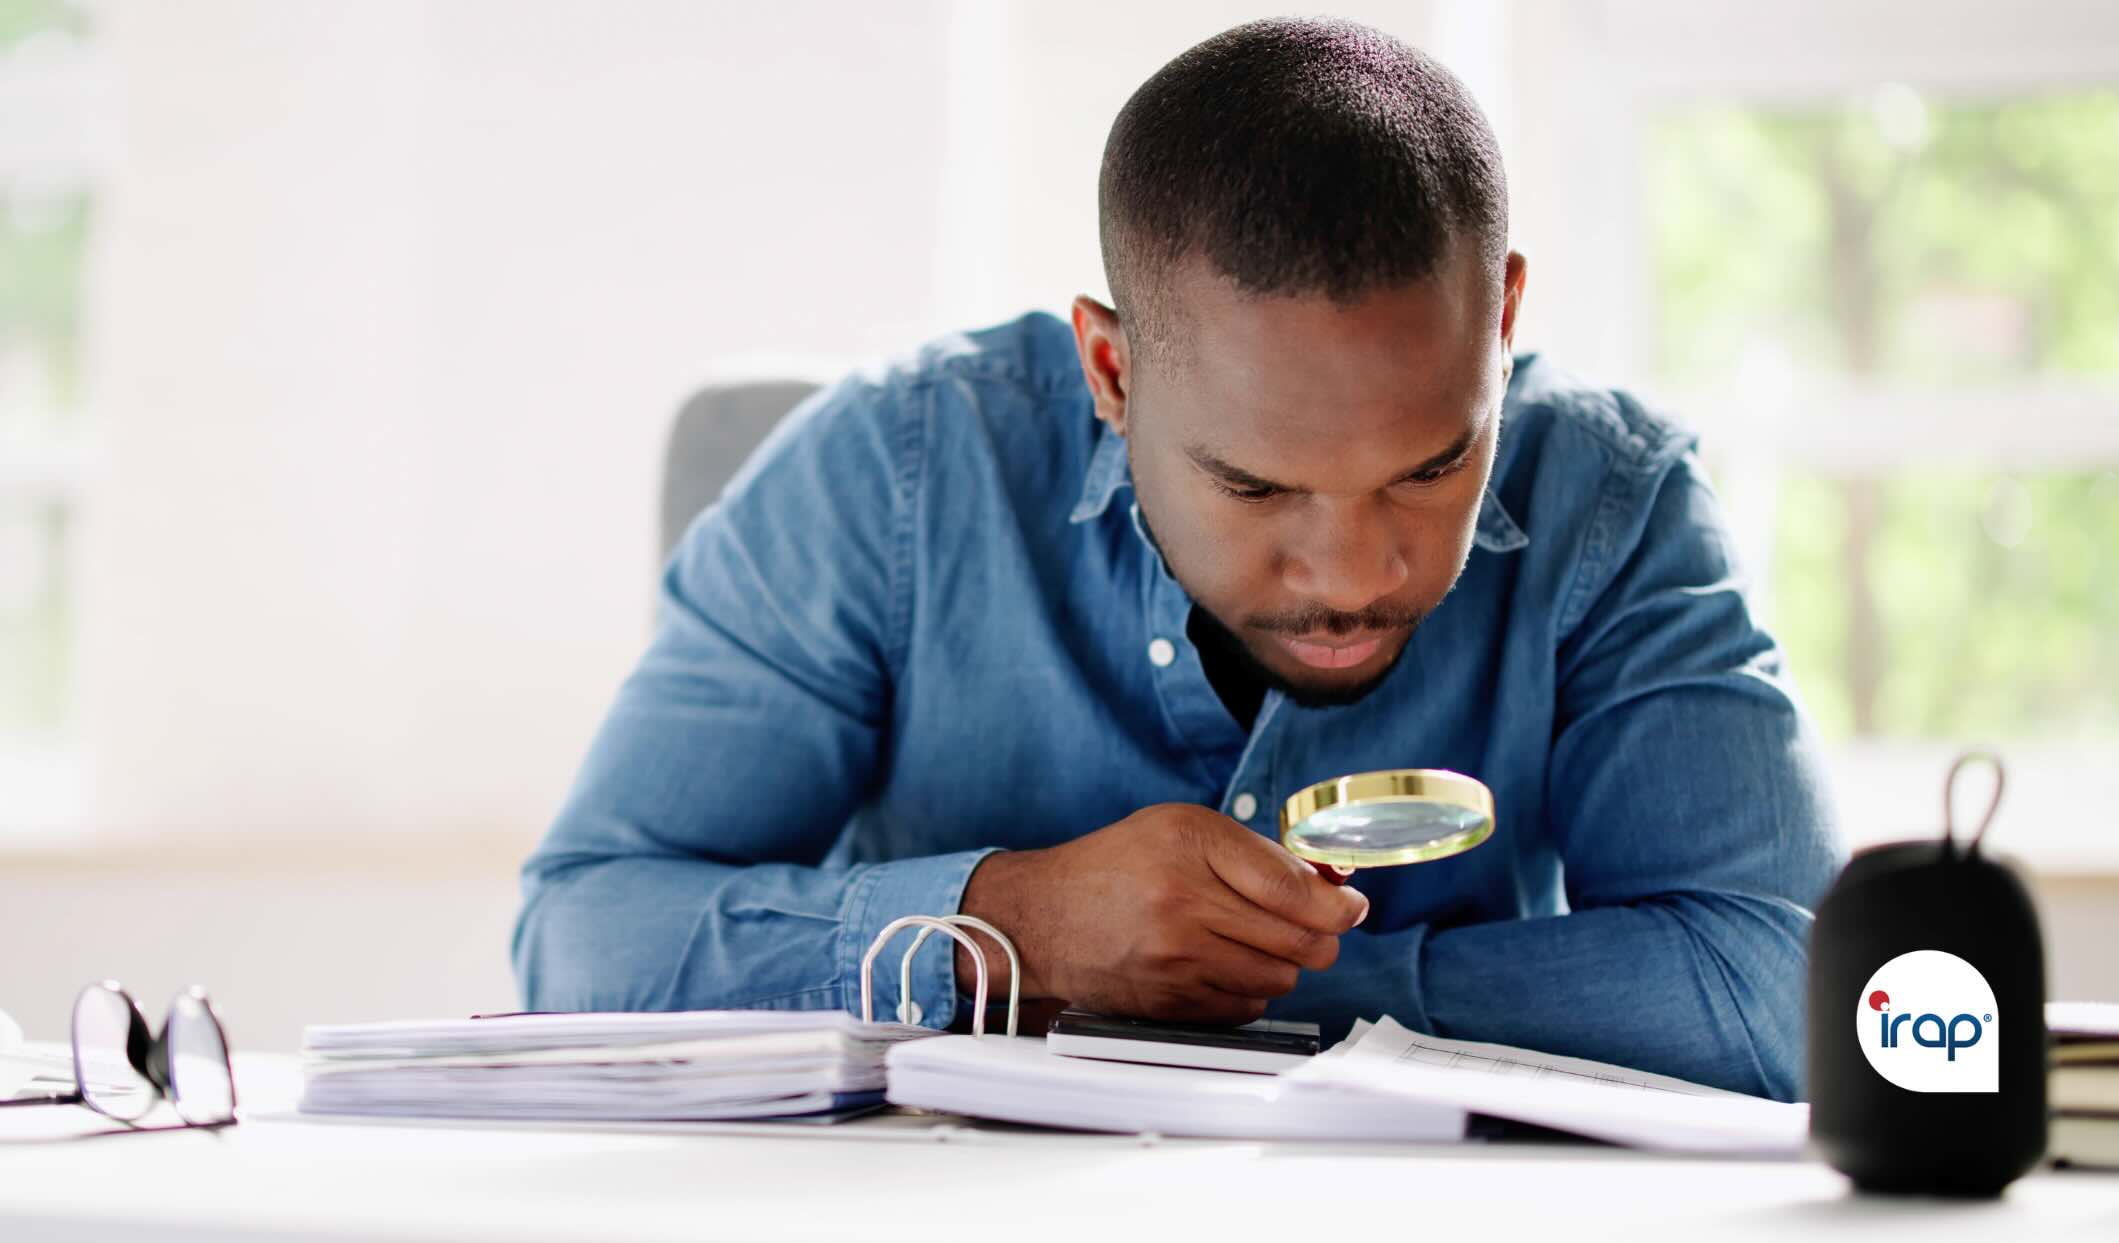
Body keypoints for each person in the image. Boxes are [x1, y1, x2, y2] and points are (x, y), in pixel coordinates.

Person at [511, 17, 1842, 1101]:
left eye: (1433, 467)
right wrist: (1013, 924)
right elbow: (580, 941)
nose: (1351, 574)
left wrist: (1240, 985)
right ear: (1112, 368)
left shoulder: (1616, 504)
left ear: (1501, 322)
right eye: (1257, 484)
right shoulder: (887, 476)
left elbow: (1784, 987)